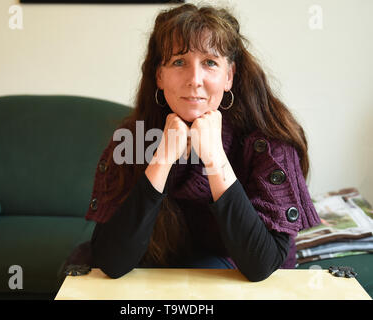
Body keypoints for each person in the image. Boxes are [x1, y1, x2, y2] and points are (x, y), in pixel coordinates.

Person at [85, 3, 321, 282]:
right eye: (179, 62)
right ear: (159, 75)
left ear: (229, 76)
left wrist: (214, 157)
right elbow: (111, 262)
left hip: (237, 270)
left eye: (210, 62)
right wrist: (162, 159)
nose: (195, 80)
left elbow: (260, 264)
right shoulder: (134, 138)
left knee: (206, 270)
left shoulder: (268, 141)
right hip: (157, 263)